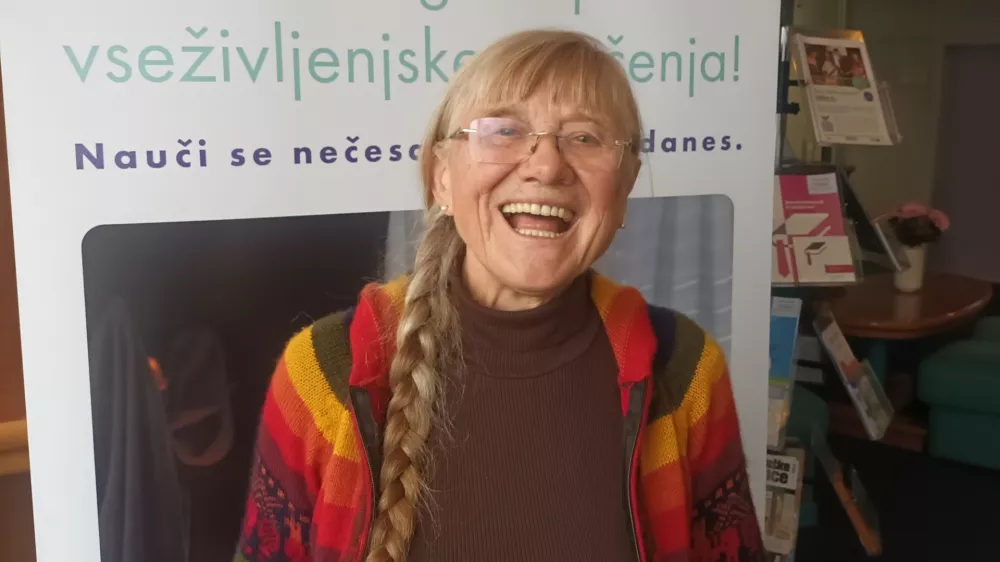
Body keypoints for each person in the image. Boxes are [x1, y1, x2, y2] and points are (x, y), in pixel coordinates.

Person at [233, 29, 763, 562]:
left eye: (585, 138)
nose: (547, 165)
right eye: (505, 130)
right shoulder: (323, 374)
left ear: (624, 188)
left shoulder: (684, 370)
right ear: (441, 176)